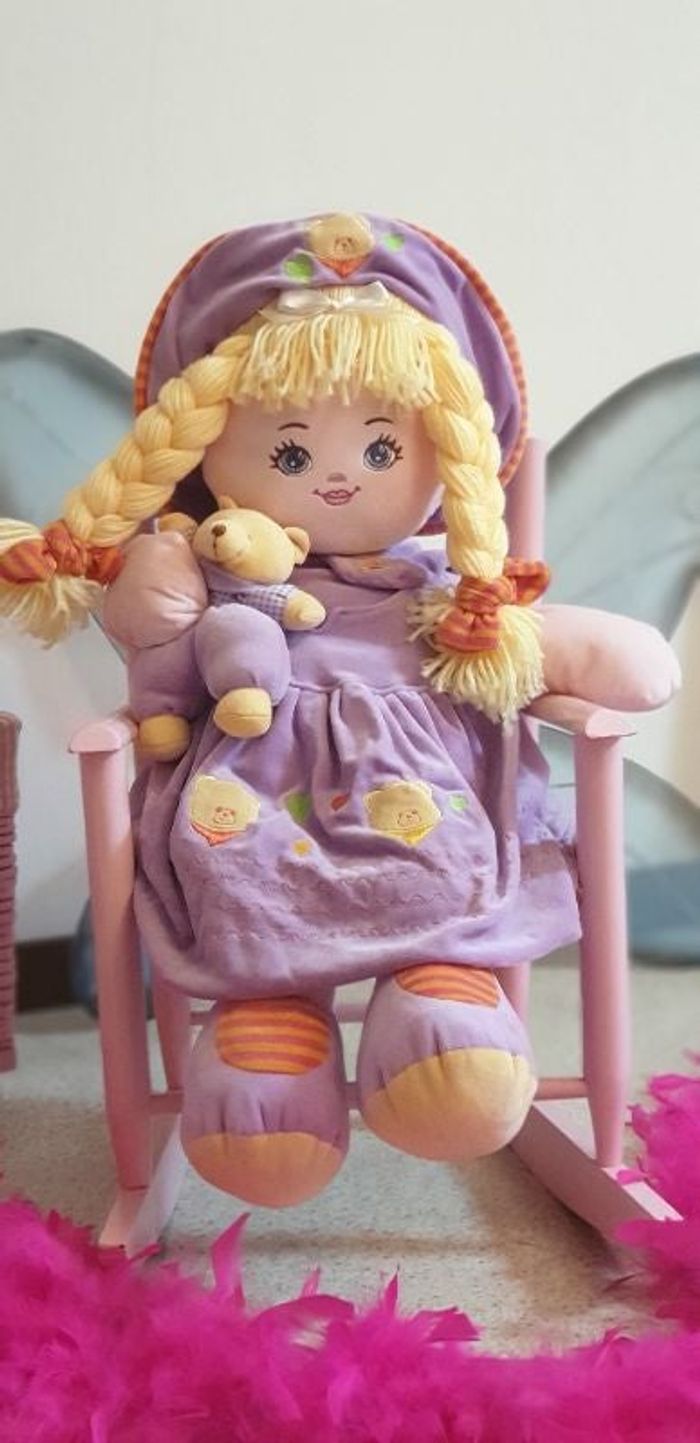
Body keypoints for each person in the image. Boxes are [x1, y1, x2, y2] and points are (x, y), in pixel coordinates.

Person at [0, 213, 583, 1206]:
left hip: (427, 801)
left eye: (382, 446)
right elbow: (156, 642)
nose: (341, 477)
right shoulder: (224, 571)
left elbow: (567, 654)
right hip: (250, 775)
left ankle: (439, 993)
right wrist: (157, 580)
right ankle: (270, 1018)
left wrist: (597, 659)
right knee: (238, 862)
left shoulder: (448, 593)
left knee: (442, 856)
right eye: (290, 454)